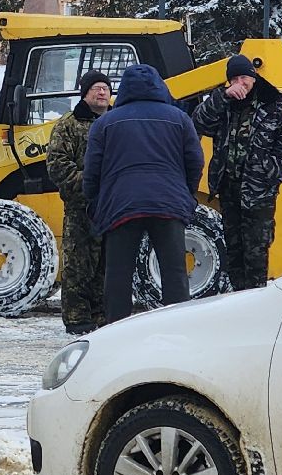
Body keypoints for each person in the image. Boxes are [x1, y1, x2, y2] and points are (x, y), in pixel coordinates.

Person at [82, 63, 205, 323]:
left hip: (121, 206)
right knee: (174, 273)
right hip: (168, 204)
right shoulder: (179, 118)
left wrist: (95, 201)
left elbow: (92, 169)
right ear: (159, 85)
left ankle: (117, 329)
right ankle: (178, 328)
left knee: (118, 274)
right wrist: (186, 195)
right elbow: (195, 161)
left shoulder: (105, 123)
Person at [192, 53, 282, 290]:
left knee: (256, 252)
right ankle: (237, 297)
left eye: (244, 78)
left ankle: (255, 296)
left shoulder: (274, 103)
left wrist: (267, 171)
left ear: (253, 77)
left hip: (258, 192)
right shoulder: (224, 103)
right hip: (229, 189)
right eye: (235, 79)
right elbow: (198, 122)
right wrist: (223, 96)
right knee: (233, 250)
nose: (240, 83)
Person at [46, 70, 114, 334]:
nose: (102, 92)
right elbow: (57, 165)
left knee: (108, 265)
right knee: (78, 265)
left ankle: (105, 318)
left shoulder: (118, 121)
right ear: (84, 93)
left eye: (105, 88)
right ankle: (78, 320)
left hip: (113, 208)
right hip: (81, 208)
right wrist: (90, 185)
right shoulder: (68, 125)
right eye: (96, 88)